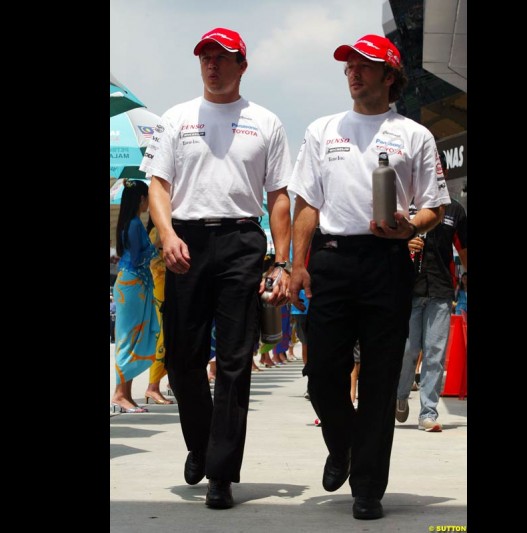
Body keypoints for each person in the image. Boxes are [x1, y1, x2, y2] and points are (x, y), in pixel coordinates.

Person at [288, 34, 450, 520]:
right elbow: (307, 204)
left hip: (387, 261)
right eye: (349, 66)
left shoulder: (414, 135)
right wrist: (298, 264)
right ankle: (342, 446)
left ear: (389, 75)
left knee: (380, 379)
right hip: (332, 260)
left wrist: (409, 226)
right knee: (322, 376)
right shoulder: (322, 130)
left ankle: (368, 489)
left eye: (365, 65)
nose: (353, 73)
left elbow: (435, 208)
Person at [139, 27, 293, 510]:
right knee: (183, 358)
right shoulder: (177, 118)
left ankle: (221, 474)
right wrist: (166, 235)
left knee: (232, 361)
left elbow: (279, 196)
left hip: (242, 241)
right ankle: (201, 444)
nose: (212, 64)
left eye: (223, 58)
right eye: (206, 56)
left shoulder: (265, 122)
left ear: (242, 66)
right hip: (186, 239)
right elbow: (158, 186)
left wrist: (282, 261)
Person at [394, 154, 466, 432]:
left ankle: (428, 413)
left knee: (435, 354)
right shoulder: (402, 206)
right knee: (406, 352)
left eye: (440, 172)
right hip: (406, 289)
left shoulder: (455, 211)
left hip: (440, 290)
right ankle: (400, 396)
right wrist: (404, 242)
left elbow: (464, 249)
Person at [111, 179, 160, 413]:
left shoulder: (130, 223)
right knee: (128, 339)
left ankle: (126, 395)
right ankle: (120, 394)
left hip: (133, 284)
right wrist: (157, 244)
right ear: (141, 199)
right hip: (133, 285)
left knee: (132, 337)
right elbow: (141, 257)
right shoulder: (133, 224)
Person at [144, 219, 174, 405]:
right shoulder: (157, 232)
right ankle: (153, 386)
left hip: (170, 289)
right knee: (162, 339)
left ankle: (171, 382)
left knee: (173, 338)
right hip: (161, 290)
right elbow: (153, 263)